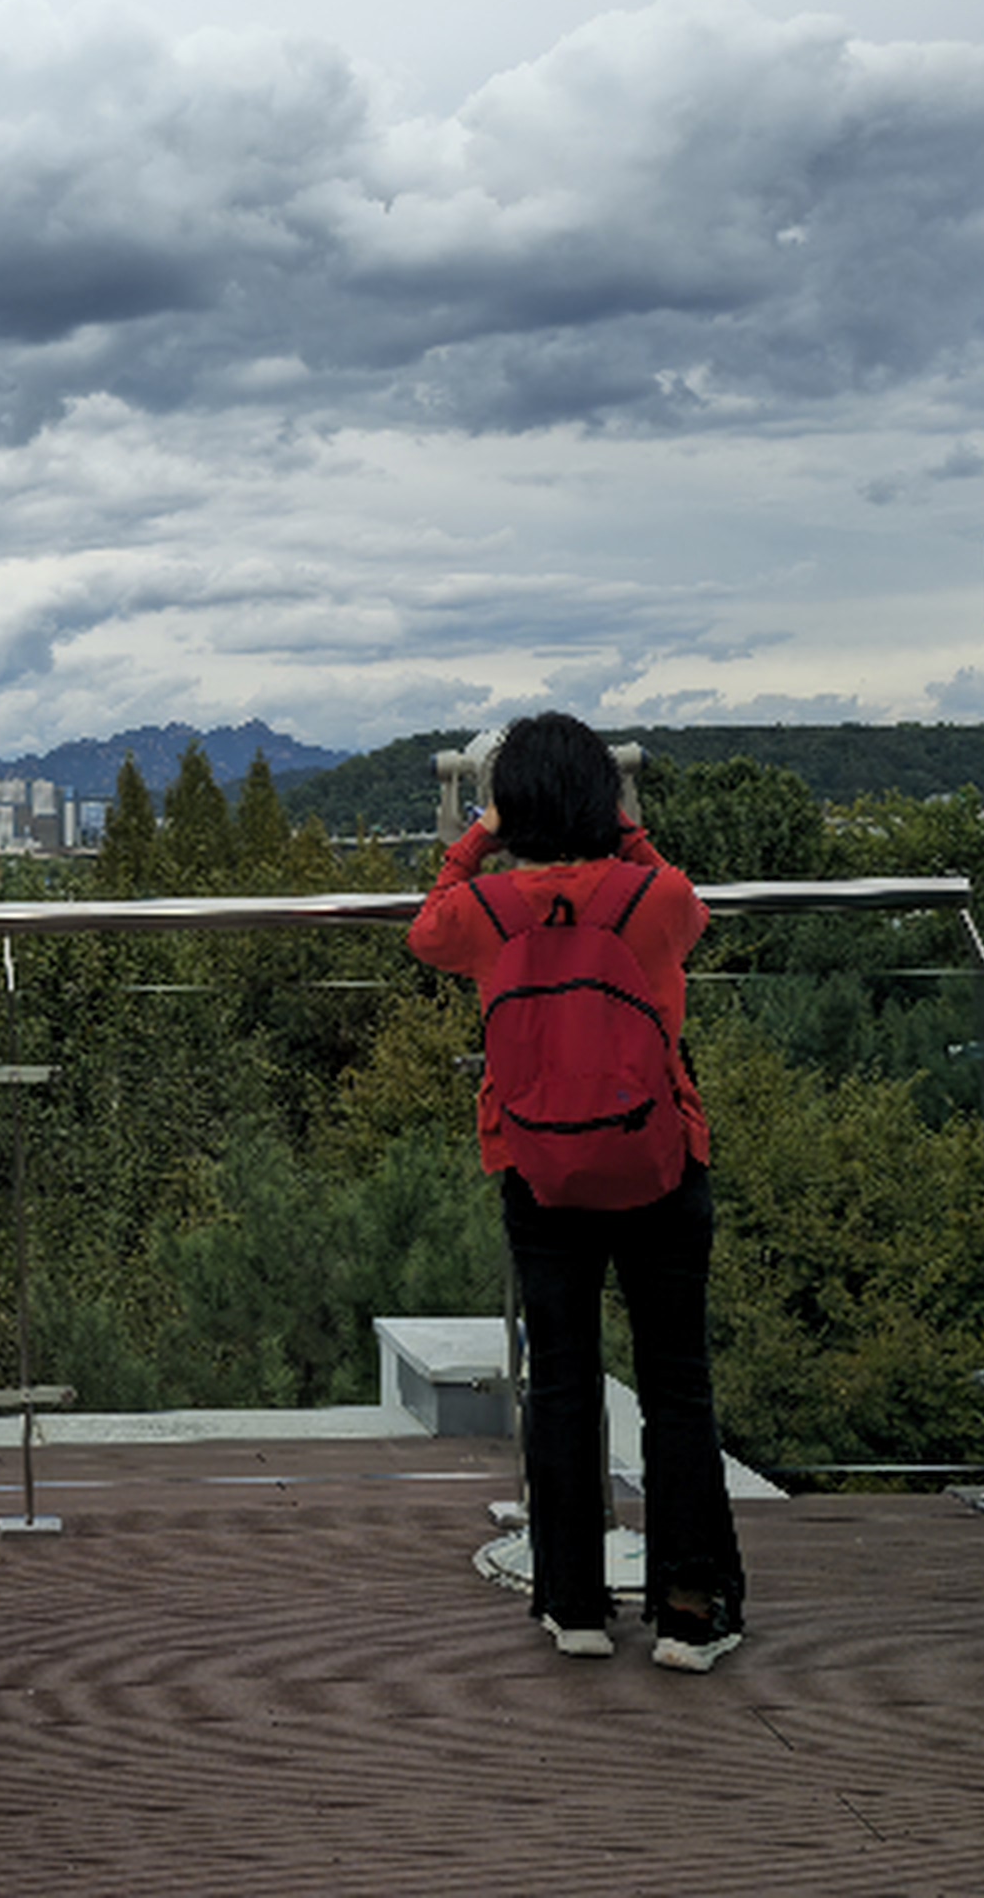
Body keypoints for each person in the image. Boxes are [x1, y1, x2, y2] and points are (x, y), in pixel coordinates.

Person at [406, 714, 746, 1672]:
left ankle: (574, 1604)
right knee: (676, 1386)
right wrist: (626, 827)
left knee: (560, 1381)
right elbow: (692, 915)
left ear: (512, 805)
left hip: (539, 1167)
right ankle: (689, 1611)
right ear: (605, 796)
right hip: (659, 1162)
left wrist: (479, 835)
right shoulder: (653, 899)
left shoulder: (489, 910)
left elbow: (427, 930)